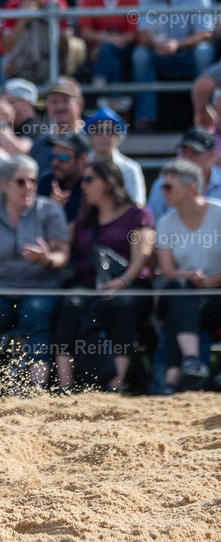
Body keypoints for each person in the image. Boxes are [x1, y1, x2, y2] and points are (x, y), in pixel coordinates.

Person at [0, 155, 70, 394]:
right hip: (0, 290)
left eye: (33, 181)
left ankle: (35, 387)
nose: (28, 187)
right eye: (21, 181)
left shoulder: (50, 211)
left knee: (35, 314)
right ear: (4, 184)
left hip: (41, 287)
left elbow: (62, 255)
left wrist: (47, 259)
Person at [54, 159, 155, 392]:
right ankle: (65, 384)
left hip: (132, 286)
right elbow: (57, 244)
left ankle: (116, 383)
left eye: (89, 179)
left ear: (109, 183)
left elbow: (143, 253)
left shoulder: (137, 214)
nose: (83, 186)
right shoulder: (84, 221)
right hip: (92, 287)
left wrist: (124, 281)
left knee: (121, 305)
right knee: (71, 303)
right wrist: (54, 211)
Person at [153, 159, 221, 394]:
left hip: (213, 296)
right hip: (182, 292)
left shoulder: (219, 212)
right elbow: (169, 272)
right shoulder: (165, 221)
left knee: (178, 311)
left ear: (190, 187)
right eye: (163, 186)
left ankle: (171, 381)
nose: (163, 192)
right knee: (181, 288)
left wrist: (212, 281)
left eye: (168, 187)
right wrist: (190, 276)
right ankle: (191, 361)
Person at [132, 0, 214, 132]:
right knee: (140, 55)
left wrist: (179, 44)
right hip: (159, 53)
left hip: (188, 53)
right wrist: (157, 44)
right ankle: (145, 119)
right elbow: (142, 34)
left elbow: (206, 33)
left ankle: (204, 115)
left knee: (204, 52)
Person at [79, 0, 143, 91]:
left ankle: (99, 90)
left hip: (127, 47)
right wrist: (105, 40)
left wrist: (110, 41)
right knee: (108, 52)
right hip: (98, 46)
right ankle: (115, 100)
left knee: (108, 50)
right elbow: (85, 31)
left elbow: (135, 33)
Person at [147, 129, 221, 220]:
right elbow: (152, 224)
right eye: (184, 152)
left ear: (211, 155)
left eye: (195, 152)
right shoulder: (163, 184)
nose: (188, 158)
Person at [84, 107, 146, 205]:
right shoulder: (81, 165)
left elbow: (137, 207)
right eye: (98, 130)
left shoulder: (131, 169)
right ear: (90, 136)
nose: (104, 135)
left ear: (119, 136)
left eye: (110, 130)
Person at [38, 131, 90, 223]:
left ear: (82, 160)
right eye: (53, 156)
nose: (55, 163)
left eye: (63, 158)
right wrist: (50, 208)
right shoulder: (46, 181)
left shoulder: (92, 185)